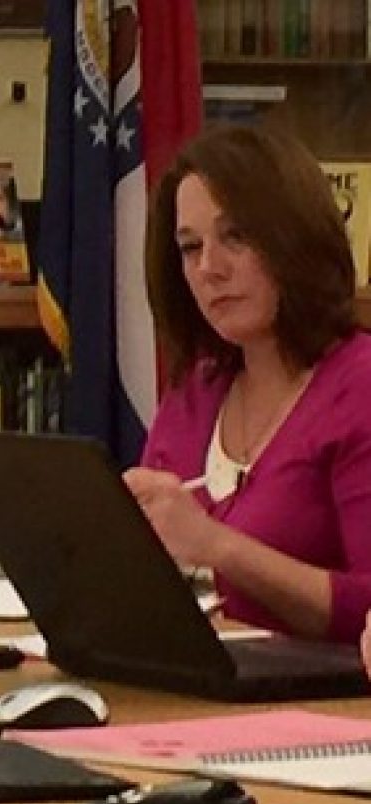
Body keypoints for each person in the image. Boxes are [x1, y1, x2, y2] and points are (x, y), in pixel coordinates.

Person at [122, 123, 371, 645]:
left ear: (294, 237)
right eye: (190, 248)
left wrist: (217, 545)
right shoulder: (196, 389)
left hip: (321, 709)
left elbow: (367, 609)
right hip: (189, 688)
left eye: (236, 237)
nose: (210, 268)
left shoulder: (358, 385)